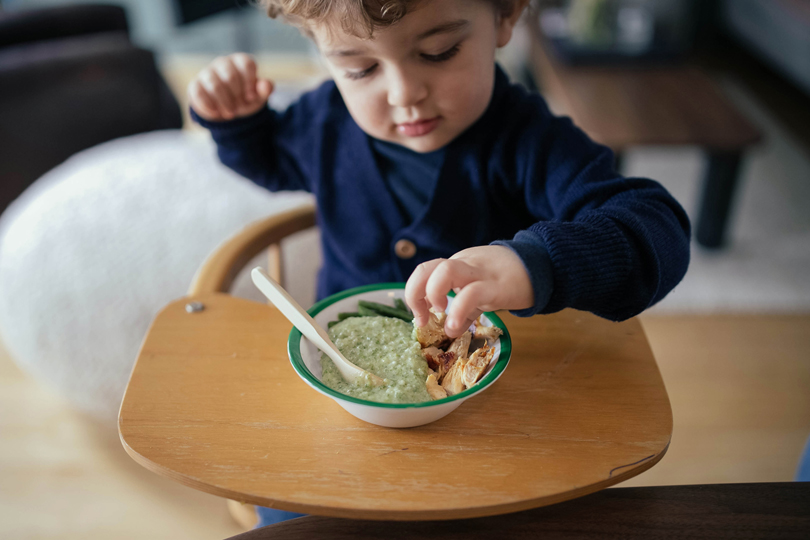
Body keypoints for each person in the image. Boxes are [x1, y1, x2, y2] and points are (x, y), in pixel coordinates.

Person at [188, 0, 690, 526]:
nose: (404, 94)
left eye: (438, 51)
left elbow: (657, 228)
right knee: (288, 507)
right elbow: (268, 157)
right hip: (341, 413)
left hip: (492, 427)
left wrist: (529, 265)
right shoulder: (323, 124)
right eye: (360, 68)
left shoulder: (530, 142)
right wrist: (238, 121)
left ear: (504, 16)